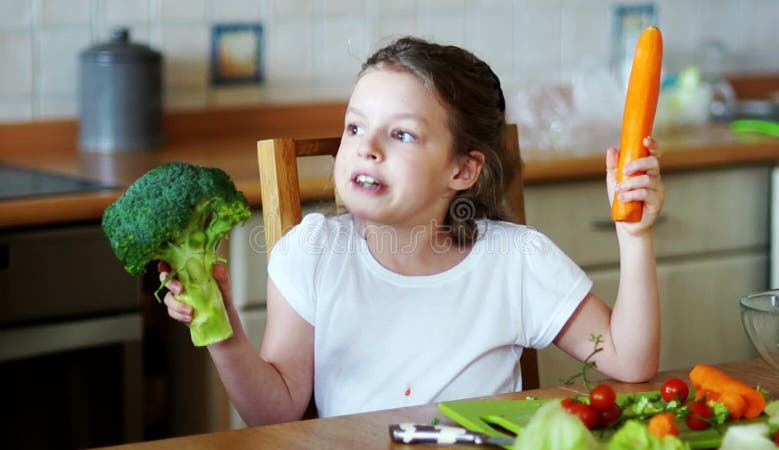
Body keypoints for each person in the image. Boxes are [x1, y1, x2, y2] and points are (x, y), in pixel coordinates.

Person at [161, 36, 664, 425]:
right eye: (355, 127)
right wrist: (223, 334)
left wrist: (635, 238)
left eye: (401, 134)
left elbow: (630, 360)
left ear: (463, 172)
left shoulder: (517, 262)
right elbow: (276, 414)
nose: (367, 147)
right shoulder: (311, 254)